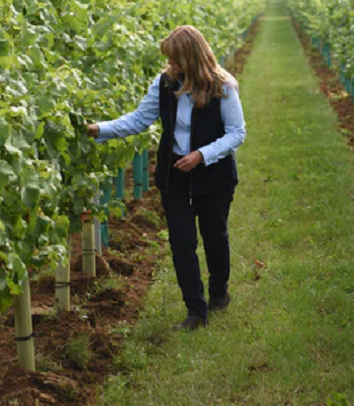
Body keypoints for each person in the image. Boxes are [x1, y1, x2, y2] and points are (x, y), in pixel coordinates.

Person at [87, 25, 246, 331]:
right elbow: (138, 120)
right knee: (181, 243)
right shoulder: (163, 84)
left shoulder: (222, 86)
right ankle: (195, 311)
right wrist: (99, 130)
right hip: (174, 176)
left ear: (192, 58)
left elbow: (237, 133)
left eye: (176, 60)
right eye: (169, 60)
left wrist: (201, 155)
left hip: (214, 176)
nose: (170, 66)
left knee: (215, 238)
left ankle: (219, 293)